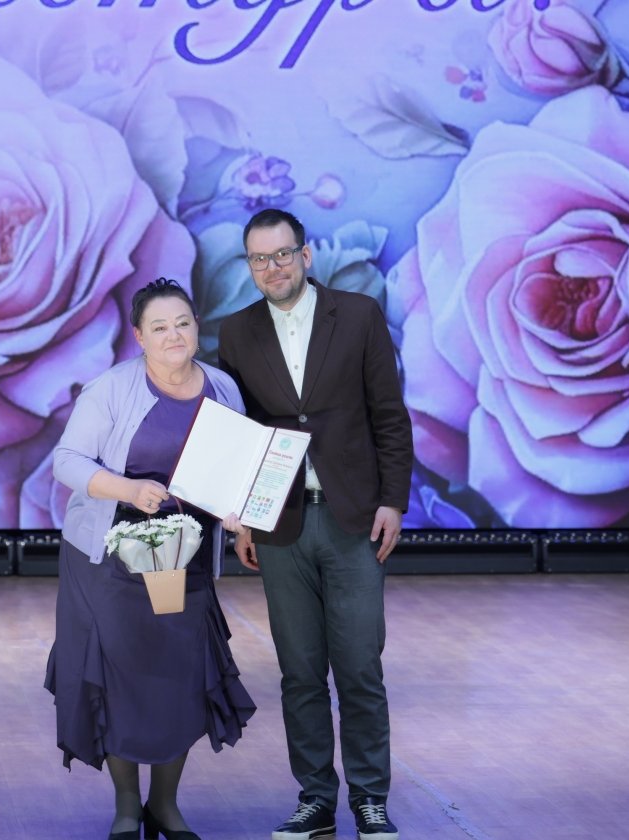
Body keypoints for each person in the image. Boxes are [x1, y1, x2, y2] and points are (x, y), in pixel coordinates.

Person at [218, 209, 413, 840]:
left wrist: (393, 500)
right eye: (259, 259)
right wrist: (242, 516)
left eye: (282, 255)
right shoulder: (237, 331)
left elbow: (389, 415)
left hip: (354, 519)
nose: (272, 268)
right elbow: (240, 434)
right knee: (299, 672)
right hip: (281, 525)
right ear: (249, 266)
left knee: (359, 669)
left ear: (305, 255)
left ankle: (371, 799)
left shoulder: (357, 315)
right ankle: (315, 801)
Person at [47, 278, 256, 840]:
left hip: (185, 557)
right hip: (109, 558)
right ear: (139, 336)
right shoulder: (111, 390)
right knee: (120, 678)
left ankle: (164, 805)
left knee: (178, 678)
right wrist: (128, 489)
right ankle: (125, 805)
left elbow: (234, 472)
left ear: (197, 327)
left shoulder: (223, 388)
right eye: (159, 327)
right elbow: (67, 460)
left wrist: (239, 514)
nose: (173, 335)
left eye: (182, 323)